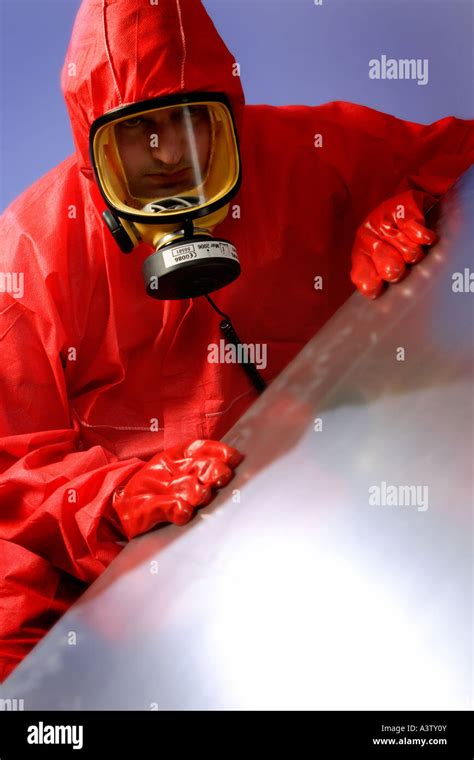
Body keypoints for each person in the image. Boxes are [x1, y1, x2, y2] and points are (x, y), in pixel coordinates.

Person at [0, 0, 472, 682]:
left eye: (186, 121)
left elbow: (456, 156)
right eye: (137, 134)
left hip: (352, 536)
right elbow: (10, 475)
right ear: (91, 147)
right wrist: (110, 500)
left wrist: (416, 205)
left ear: (228, 116)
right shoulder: (29, 264)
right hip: (153, 606)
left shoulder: (313, 156)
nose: (165, 157)